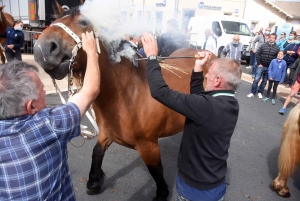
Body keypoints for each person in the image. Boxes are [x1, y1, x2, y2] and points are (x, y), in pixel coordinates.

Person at [141, 32, 241, 201]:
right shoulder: (231, 104)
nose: (206, 75)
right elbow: (199, 98)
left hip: (194, 190)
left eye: (208, 74)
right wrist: (198, 68)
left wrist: (152, 58)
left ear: (217, 81)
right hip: (216, 185)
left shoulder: (204, 107)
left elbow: (160, 92)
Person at [0, 32, 100, 200]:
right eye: (41, 89)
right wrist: (91, 52)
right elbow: (90, 90)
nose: (45, 92)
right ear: (31, 106)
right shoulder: (48, 127)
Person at [247, 33, 280, 98]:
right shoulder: (263, 45)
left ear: (275, 39)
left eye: (273, 38)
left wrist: (273, 67)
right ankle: (252, 92)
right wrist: (259, 63)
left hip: (269, 67)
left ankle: (260, 92)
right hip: (261, 66)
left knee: (264, 81)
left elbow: (276, 58)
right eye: (270, 37)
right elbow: (258, 54)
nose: (271, 39)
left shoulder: (277, 48)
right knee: (256, 79)